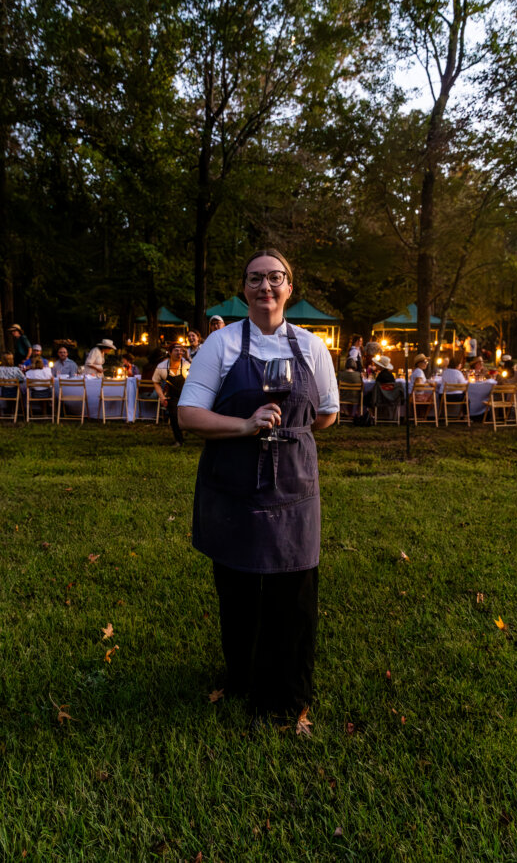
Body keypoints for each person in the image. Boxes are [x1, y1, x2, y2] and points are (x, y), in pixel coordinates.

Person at [178, 248, 338, 722]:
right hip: (234, 483)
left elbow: (327, 414)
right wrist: (246, 427)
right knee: (239, 587)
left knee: (294, 593)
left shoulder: (312, 347)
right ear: (243, 289)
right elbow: (189, 415)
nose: (265, 287)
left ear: (290, 287)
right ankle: (242, 678)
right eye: (254, 279)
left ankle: (287, 699)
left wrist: (287, 432)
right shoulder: (221, 344)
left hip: (292, 482)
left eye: (275, 278)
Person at [153, 343, 190, 446]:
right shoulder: (162, 366)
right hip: (172, 396)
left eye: (181, 351)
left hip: (186, 394)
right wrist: (162, 397)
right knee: (173, 416)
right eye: (176, 351)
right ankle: (179, 440)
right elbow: (156, 382)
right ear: (169, 352)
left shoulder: (186, 365)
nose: (179, 353)